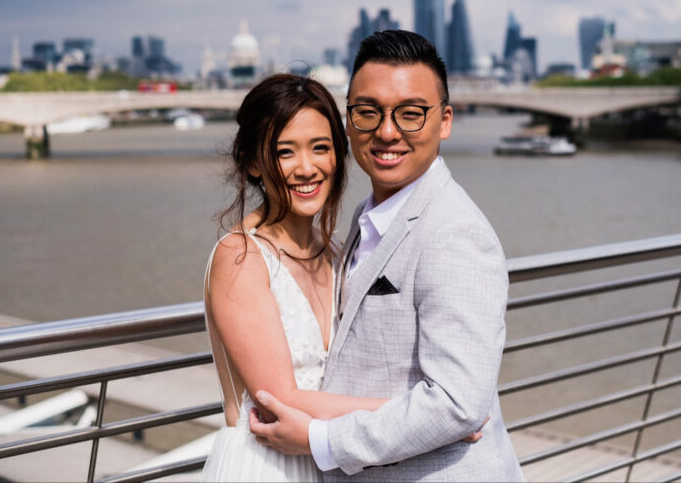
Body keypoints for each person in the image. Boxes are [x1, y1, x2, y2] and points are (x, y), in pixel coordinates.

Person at [250, 30, 525, 481]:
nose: (387, 132)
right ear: (349, 120)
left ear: (445, 120)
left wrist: (321, 440)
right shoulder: (367, 215)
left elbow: (458, 404)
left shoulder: (454, 233)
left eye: (411, 114)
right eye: (368, 112)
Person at [201, 74, 482, 482]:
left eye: (321, 148)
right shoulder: (240, 255)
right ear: (252, 162)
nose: (307, 168)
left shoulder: (336, 250)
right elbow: (278, 399)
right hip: (266, 464)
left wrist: (435, 414)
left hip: (330, 460)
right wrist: (434, 418)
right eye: (285, 152)